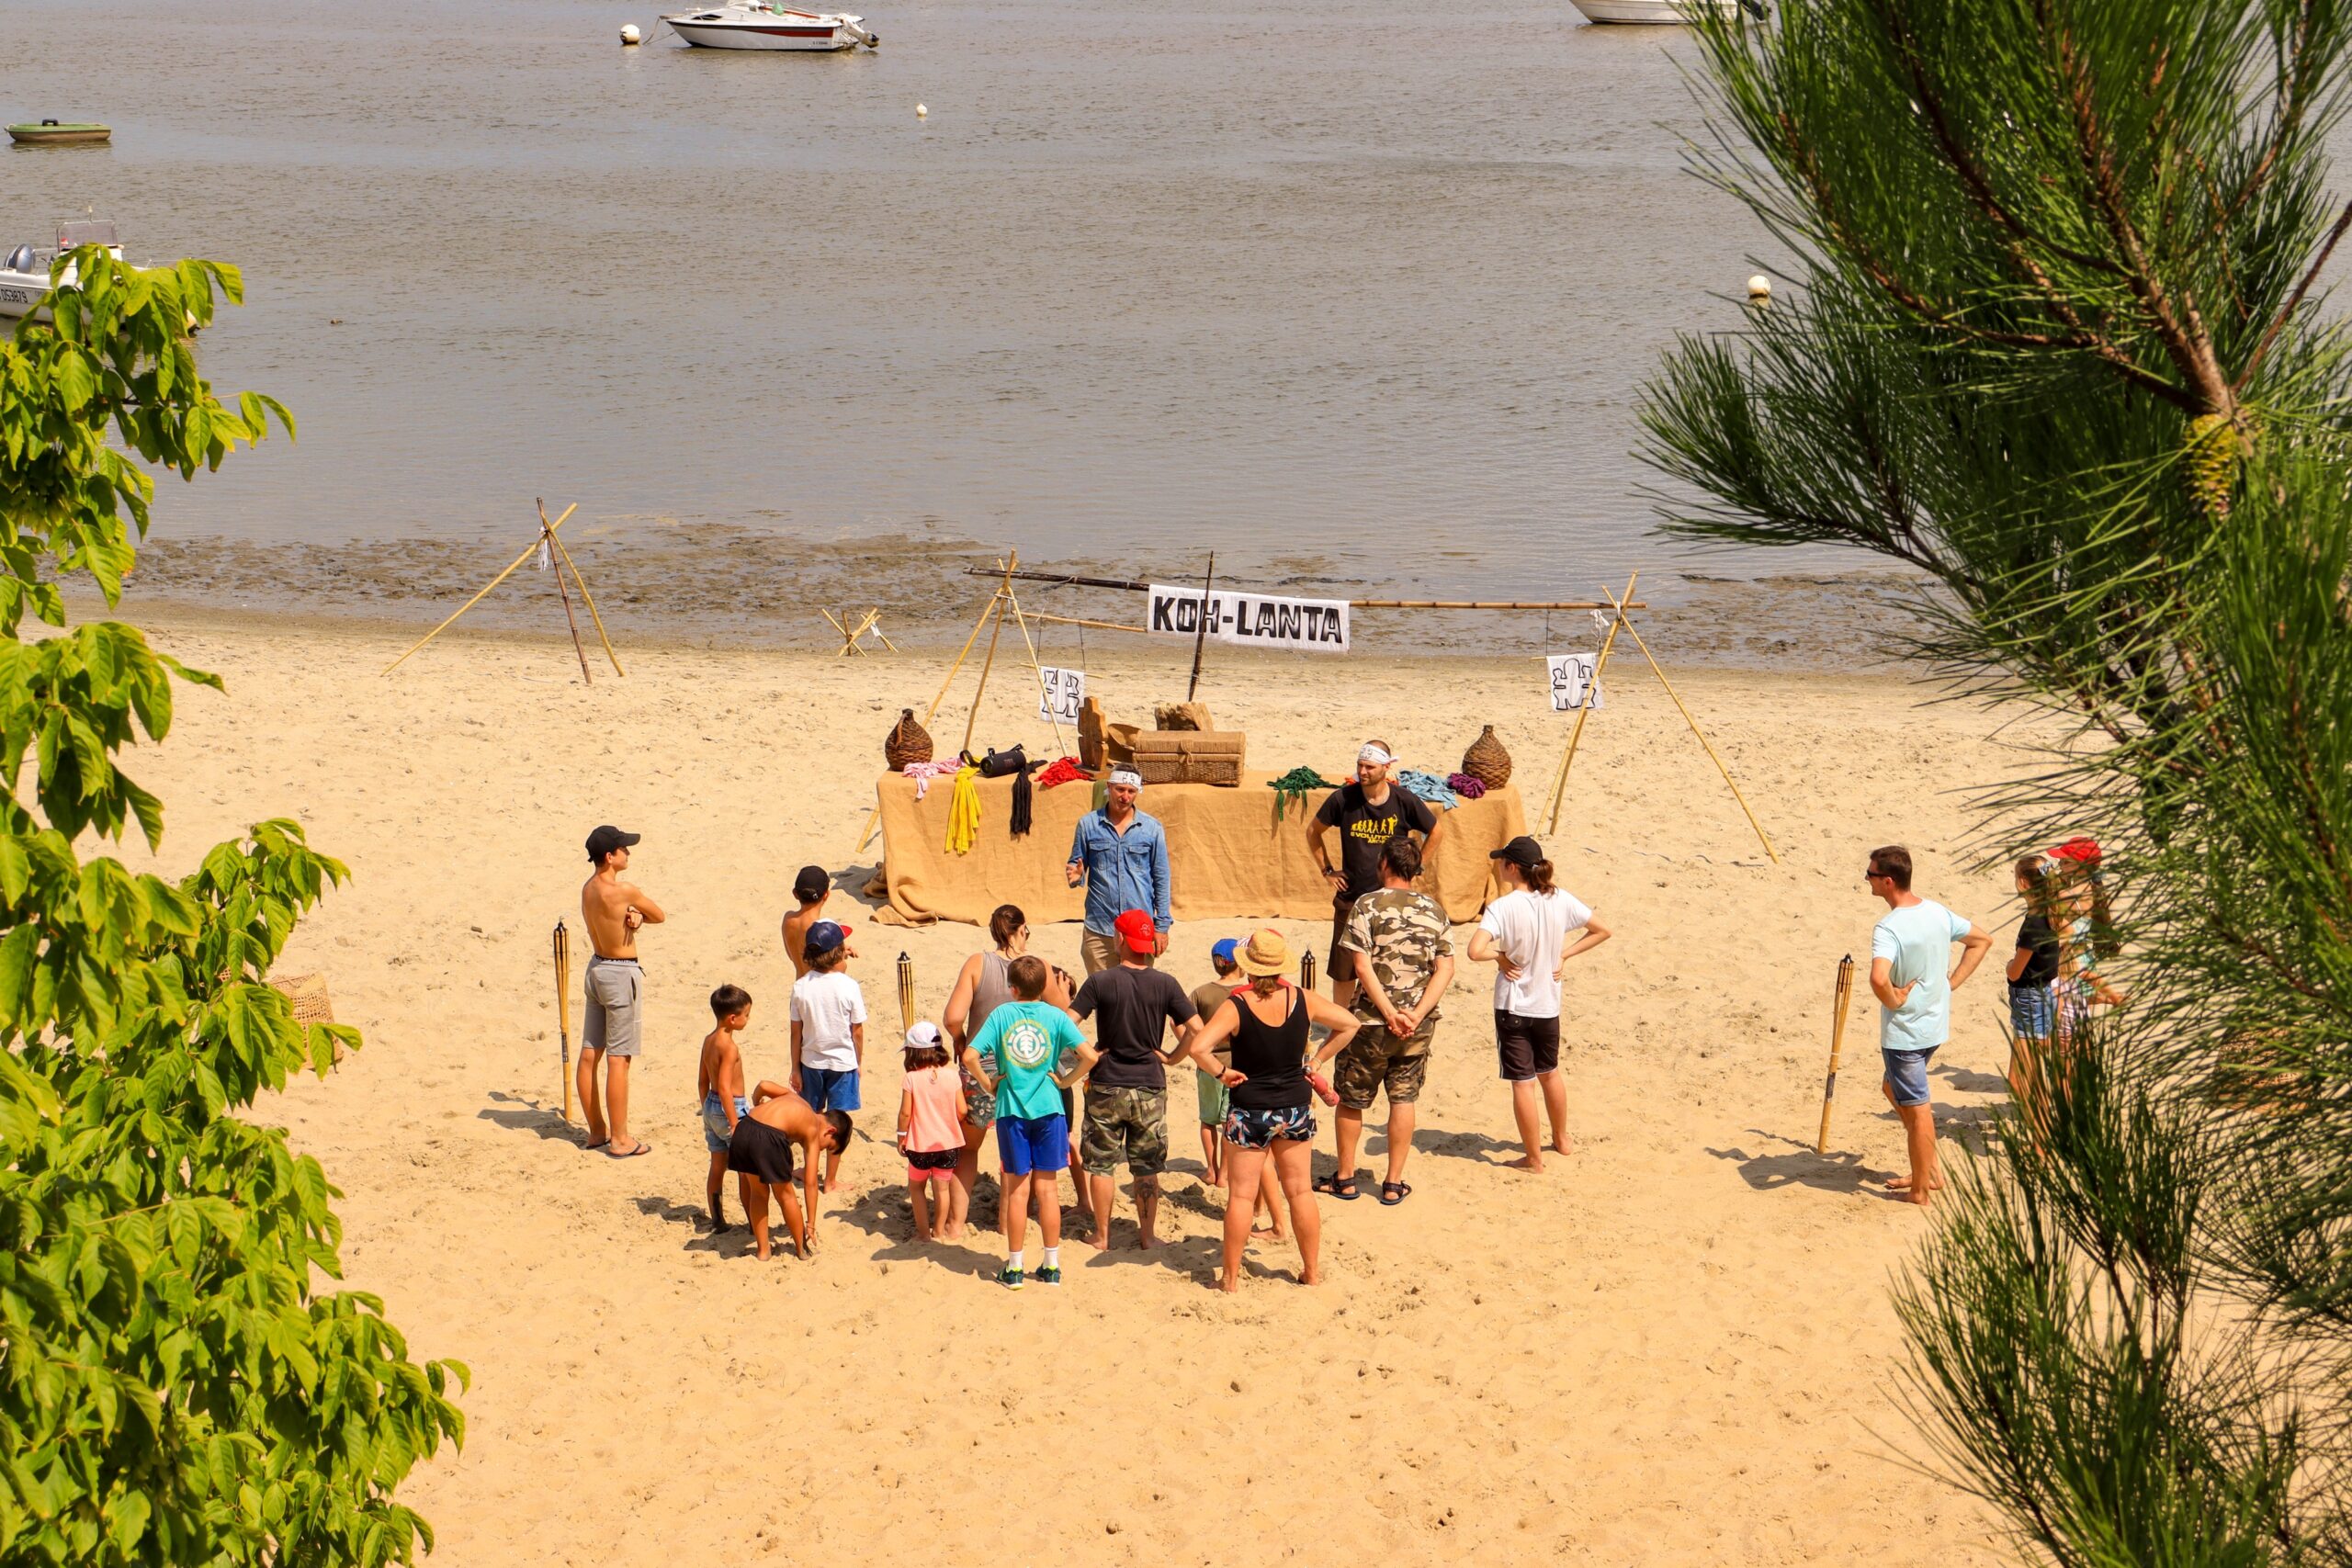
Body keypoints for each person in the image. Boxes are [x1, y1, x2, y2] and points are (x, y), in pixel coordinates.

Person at [1186, 929, 1362, 1293]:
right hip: (1295, 1106)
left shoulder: (1237, 1004)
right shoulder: (1302, 998)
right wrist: (1316, 1061)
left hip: (1250, 1108)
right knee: (1300, 1192)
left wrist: (1222, 1072)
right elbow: (1350, 1024)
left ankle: (1230, 1280)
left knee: (1241, 1196)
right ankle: (1311, 1272)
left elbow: (1199, 1047)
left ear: (1248, 967)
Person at [1465, 835, 1610, 1173]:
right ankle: (1561, 1138)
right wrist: (1565, 954)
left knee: (1523, 1083)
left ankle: (1533, 1159)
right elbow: (1602, 930)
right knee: (1550, 1073)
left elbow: (1475, 951)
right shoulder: (1559, 898)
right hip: (1548, 1004)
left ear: (1512, 868)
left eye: (1503, 861)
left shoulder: (1502, 906)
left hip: (1514, 1005)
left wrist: (1500, 956)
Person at [1327, 836, 1454, 1205]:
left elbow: (1360, 965)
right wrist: (1415, 1013)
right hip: (1417, 1024)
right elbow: (1445, 968)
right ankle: (1394, 1182)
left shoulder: (1367, 905)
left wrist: (1387, 1012)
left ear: (1384, 863)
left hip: (1370, 1021)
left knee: (1352, 1099)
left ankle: (1346, 1178)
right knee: (1403, 1098)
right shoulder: (1435, 910)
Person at [1865, 844, 1994, 1207]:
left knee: (1919, 1110)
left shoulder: (1888, 927)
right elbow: (1981, 940)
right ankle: (1928, 1169)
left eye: (1871, 875)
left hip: (1906, 1033)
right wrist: (1949, 985)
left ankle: (1921, 1188)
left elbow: (1878, 979)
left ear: (1888, 881)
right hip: (1934, 1026)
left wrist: (1893, 999)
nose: (1867, 881)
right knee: (1892, 1088)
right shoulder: (1936, 911)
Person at [1070, 908, 1201, 1251]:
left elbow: (1067, 1024)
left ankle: (1102, 1235)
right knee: (1145, 1165)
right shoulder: (1166, 983)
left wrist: (1089, 1053)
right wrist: (1174, 1057)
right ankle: (1147, 1235)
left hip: (1107, 1081)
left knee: (1102, 1163)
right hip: (1149, 1083)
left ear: (1120, 940)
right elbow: (1197, 1029)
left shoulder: (1101, 981)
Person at [943, 905, 1076, 1232]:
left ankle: (956, 1225)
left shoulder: (978, 963)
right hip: (1022, 1069)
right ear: (1021, 929)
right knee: (1011, 1154)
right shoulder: (1038, 967)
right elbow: (1066, 1015)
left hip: (981, 1068)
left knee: (968, 1149)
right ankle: (1006, 1225)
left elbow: (953, 1017)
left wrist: (960, 1041)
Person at [962, 955, 1090, 1290]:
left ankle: (1015, 1267)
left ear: (1012, 988)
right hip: (1050, 1109)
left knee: (1018, 1193)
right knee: (1047, 1190)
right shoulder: (1054, 1016)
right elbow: (1089, 1056)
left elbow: (969, 1056)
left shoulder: (1002, 1014)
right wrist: (1065, 1081)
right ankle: (1051, 1265)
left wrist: (989, 1082)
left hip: (1012, 1111)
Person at [1308, 740, 1444, 1010]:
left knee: (1389, 961)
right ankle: (1343, 1021)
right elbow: (1313, 831)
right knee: (1345, 967)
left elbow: (1436, 831)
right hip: (1352, 897)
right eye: (1360, 765)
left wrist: (1416, 867)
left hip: (1392, 901)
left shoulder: (1403, 800)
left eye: (1369, 766)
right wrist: (1327, 871)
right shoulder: (1343, 799)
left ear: (1386, 767)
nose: (1363, 771)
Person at [579, 824, 666, 1158]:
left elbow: (611, 918)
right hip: (620, 972)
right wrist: (639, 916)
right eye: (623, 849)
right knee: (619, 1059)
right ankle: (619, 1139)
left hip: (596, 968)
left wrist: (632, 919)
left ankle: (596, 1131)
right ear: (609, 856)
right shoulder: (624, 890)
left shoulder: (587, 889)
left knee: (590, 1053)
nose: (628, 853)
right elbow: (659, 914)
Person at [726, 1081, 851, 1260]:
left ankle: (763, 1251)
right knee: (786, 1195)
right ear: (830, 1131)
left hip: (745, 1127)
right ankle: (801, 1249)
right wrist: (811, 1223)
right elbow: (811, 1182)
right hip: (768, 1136)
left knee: (758, 1194)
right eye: (828, 1147)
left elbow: (763, 1085)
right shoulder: (814, 1130)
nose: (822, 1150)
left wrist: (756, 1100)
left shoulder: (796, 1099)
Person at [1065, 766, 1171, 976]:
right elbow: (1075, 866)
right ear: (1109, 787)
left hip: (1139, 929)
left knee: (1137, 995)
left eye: (1131, 791)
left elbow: (1161, 878)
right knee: (1102, 997)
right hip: (1100, 929)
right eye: (1120, 790)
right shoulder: (1088, 825)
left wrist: (1162, 927)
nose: (1125, 797)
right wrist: (1077, 878)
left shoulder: (1152, 828)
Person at [789, 919, 865, 1192]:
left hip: (810, 1062)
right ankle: (830, 1181)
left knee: (812, 1121)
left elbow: (795, 1033)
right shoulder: (849, 986)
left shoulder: (800, 987)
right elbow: (857, 1031)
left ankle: (809, 1172)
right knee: (838, 1124)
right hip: (843, 1063)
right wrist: (858, 1062)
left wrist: (795, 1068)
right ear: (839, 952)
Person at [897, 1021, 969, 1241]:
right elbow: (962, 1110)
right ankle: (939, 1230)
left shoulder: (911, 1078)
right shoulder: (952, 1076)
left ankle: (923, 1234)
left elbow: (905, 1114)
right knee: (942, 1189)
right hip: (947, 1145)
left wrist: (901, 1136)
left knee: (917, 1188)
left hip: (920, 1145)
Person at [2005, 853, 2062, 1112]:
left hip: (2030, 998)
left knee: (2022, 1080)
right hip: (2041, 995)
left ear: (2024, 883)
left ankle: (2039, 1128)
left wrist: (2008, 965)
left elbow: (2016, 971)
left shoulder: (2034, 924)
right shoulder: (2050, 913)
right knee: (2026, 1073)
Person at [696, 983, 754, 1235]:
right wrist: (733, 1122)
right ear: (733, 1018)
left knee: (717, 1165)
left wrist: (707, 1110)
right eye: (746, 1015)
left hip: (710, 1106)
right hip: (732, 1108)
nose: (748, 1019)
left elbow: (702, 1081)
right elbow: (724, 1087)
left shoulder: (709, 1040)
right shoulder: (729, 1047)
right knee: (745, 1171)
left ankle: (717, 1219)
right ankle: (754, 1221)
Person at [1187, 938, 1244, 1189]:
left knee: (1208, 1120)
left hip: (1208, 1065)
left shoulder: (1201, 993)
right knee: (1228, 1122)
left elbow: (1178, 1022)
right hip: (1236, 1066)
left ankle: (1211, 1170)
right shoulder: (1243, 993)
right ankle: (1225, 1176)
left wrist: (1192, 1046)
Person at [781, 863, 841, 980]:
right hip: (819, 991)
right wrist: (839, 954)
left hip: (799, 988)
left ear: (795, 894)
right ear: (826, 895)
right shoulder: (823, 930)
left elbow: (793, 955)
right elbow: (838, 969)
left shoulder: (788, 919)